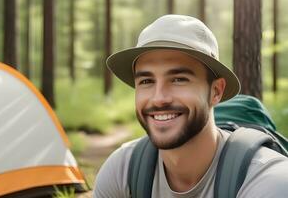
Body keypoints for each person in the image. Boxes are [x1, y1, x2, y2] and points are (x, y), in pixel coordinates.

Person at [93, 15, 288, 197]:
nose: (159, 98)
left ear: (216, 91)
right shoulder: (123, 170)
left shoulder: (268, 181)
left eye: (178, 79)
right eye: (146, 81)